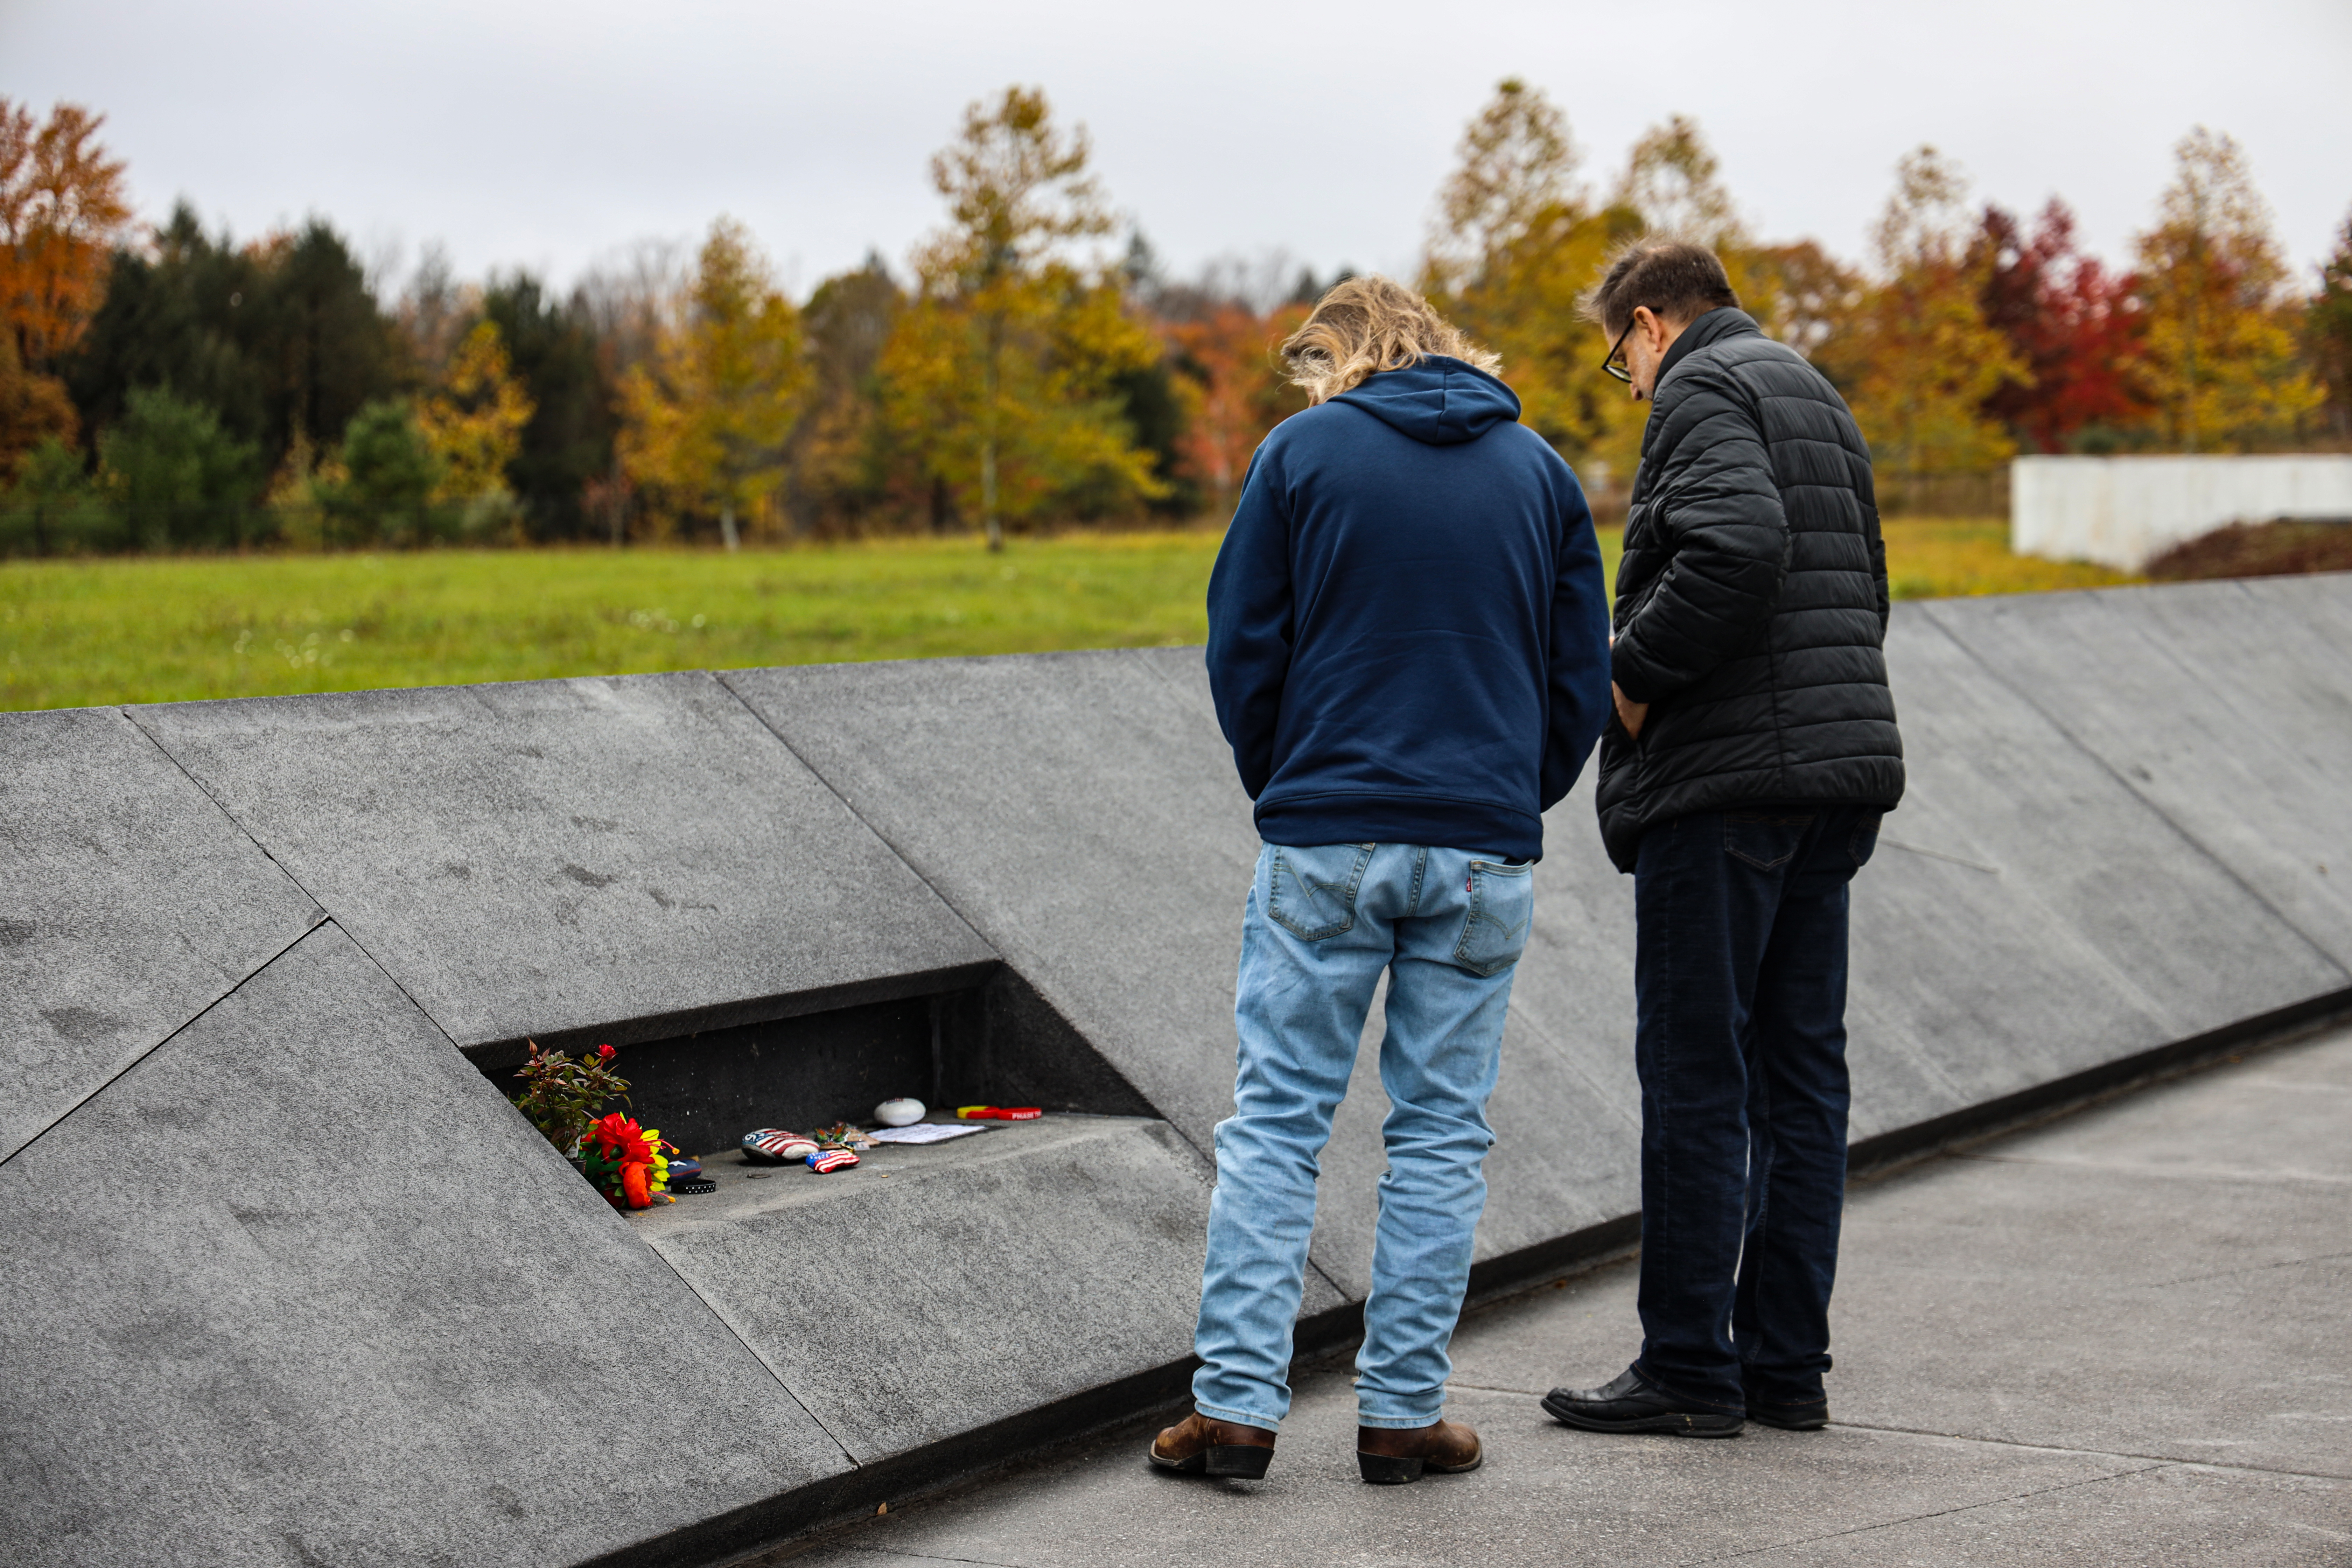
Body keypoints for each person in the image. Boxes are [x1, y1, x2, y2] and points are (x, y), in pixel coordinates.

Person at [1151, 275, 1612, 1485]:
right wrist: (1515, 794)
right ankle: (1405, 1414)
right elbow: (1580, 676)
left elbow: (1243, 642)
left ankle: (1238, 1411)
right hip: (1481, 844)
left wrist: (1289, 781)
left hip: (1328, 834)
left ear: (1342, 357)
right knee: (1443, 1136)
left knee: (1278, 1128)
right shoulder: (1542, 473)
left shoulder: (1301, 456)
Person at [1541, 240, 1904, 1439]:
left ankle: (1691, 1364)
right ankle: (1785, 1365)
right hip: (1832, 779)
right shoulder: (1808, 386)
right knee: (1803, 1074)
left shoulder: (1702, 387)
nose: (1630, 386)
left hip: (1729, 785)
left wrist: (1632, 680)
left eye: (1618, 362)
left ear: (1650, 325)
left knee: (1699, 1073)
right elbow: (1864, 579)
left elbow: (1737, 549)